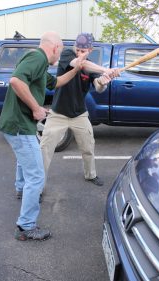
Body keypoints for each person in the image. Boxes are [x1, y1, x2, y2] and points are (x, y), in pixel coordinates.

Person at [0, 31, 85, 241]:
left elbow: (55, 83)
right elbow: (16, 81)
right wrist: (36, 107)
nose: (59, 55)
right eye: (61, 50)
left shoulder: (41, 65)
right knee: (36, 176)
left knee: (24, 160)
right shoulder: (37, 57)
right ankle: (25, 226)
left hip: (18, 124)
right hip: (19, 124)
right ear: (54, 47)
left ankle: (20, 189)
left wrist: (76, 68)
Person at [40, 32, 120, 193]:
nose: (79, 53)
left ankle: (90, 175)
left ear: (90, 49)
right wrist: (107, 69)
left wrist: (104, 80)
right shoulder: (67, 54)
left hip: (79, 114)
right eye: (78, 49)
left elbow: (98, 86)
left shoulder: (91, 66)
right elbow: (79, 64)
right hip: (58, 113)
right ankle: (38, 187)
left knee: (88, 147)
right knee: (44, 150)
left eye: (83, 51)